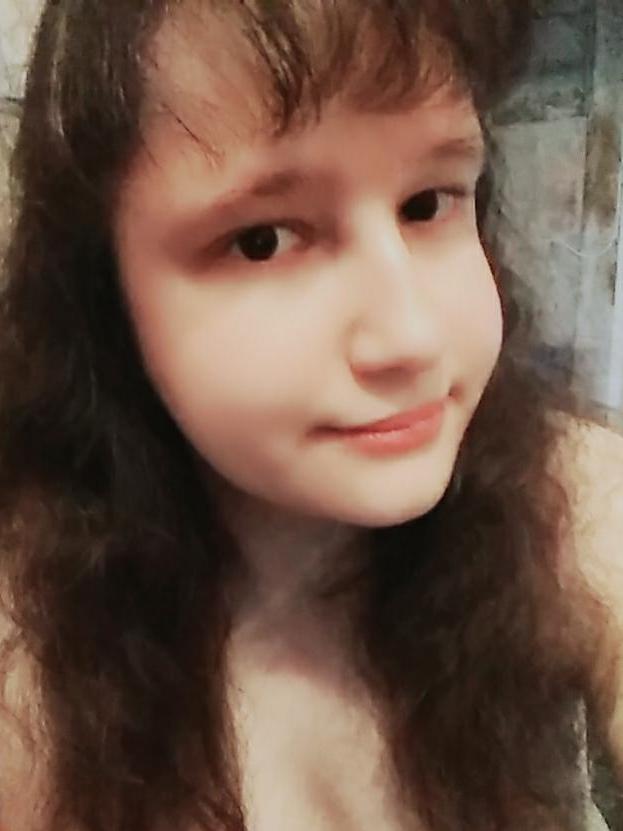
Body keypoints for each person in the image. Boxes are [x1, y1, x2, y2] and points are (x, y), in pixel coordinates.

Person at [1, 1, 622, 829]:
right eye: (261, 240)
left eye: (427, 203)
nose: (409, 337)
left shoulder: (565, 499)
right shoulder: (30, 671)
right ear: (101, 292)